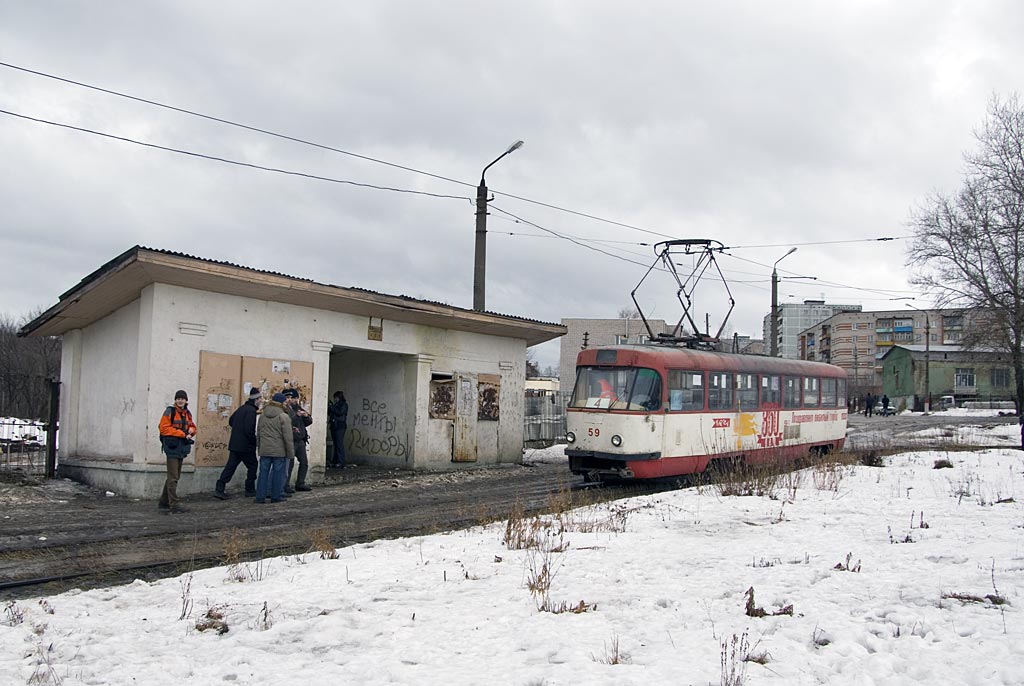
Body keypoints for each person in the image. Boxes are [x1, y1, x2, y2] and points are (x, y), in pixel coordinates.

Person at [215, 387, 261, 499]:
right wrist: (254, 442)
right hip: (246, 446)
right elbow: (249, 430)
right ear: (256, 399)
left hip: (235, 444)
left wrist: (237, 430)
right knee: (253, 466)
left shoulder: (242, 408)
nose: (261, 401)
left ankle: (219, 488)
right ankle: (249, 490)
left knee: (230, 467)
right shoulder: (251, 411)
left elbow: (231, 421)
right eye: (260, 399)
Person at [158, 389, 196, 513]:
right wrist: (182, 434)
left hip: (181, 448)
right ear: (175, 400)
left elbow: (192, 426)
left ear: (186, 400)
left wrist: (191, 431)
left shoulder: (187, 413)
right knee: (173, 476)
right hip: (172, 448)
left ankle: (163, 502)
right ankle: (174, 504)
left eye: (182, 399)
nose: (180, 401)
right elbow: (163, 429)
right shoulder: (170, 411)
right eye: (178, 399)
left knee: (174, 476)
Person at [254, 392, 294, 503]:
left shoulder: (262, 415)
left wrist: (259, 447)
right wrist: (290, 453)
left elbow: (259, 432)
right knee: (278, 474)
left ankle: (260, 497)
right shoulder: (283, 416)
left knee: (263, 473)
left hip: (265, 449)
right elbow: (288, 436)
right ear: (281, 402)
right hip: (279, 450)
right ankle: (275, 496)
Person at [283, 388, 313, 492]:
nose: (295, 400)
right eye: (293, 398)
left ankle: (300, 483)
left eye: (296, 398)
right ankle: (285, 485)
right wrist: (297, 416)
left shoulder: (298, 408)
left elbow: (309, 421)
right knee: (289, 464)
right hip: (291, 440)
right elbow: (288, 422)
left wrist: (306, 416)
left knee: (304, 462)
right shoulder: (285, 409)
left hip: (300, 440)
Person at [327, 390, 348, 468]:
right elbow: (330, 413)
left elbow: (340, 412)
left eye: (336, 398)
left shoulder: (344, 405)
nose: (335, 399)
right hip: (334, 426)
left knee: (339, 444)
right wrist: (330, 407)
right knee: (336, 444)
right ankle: (335, 461)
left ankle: (341, 461)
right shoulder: (336, 405)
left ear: (339, 397)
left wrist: (332, 407)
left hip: (340, 426)